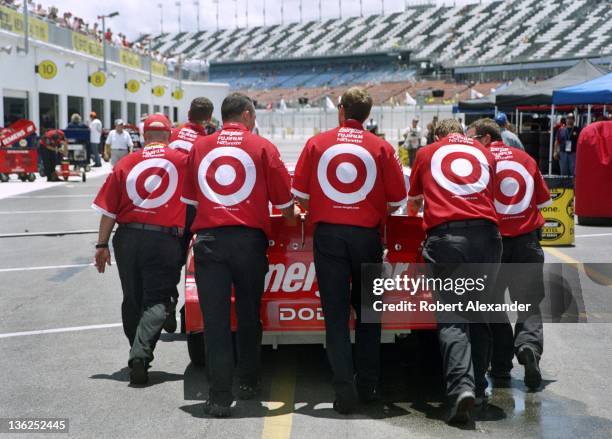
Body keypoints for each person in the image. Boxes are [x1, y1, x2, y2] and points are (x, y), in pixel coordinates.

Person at [292, 87, 407, 414]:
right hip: (368, 237)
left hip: (328, 236)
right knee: (370, 314)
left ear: (341, 110)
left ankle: (344, 393)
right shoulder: (382, 147)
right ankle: (369, 386)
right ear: (367, 114)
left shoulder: (317, 143)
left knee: (336, 317)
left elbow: (299, 193)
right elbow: (398, 200)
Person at [182, 93, 296, 417]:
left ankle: (219, 397)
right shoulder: (263, 147)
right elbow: (285, 203)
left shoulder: (200, 146)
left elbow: (190, 201)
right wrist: (291, 218)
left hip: (209, 240)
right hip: (249, 241)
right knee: (248, 315)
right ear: (247, 115)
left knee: (215, 322)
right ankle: (248, 382)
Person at [407, 118, 502, 425]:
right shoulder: (485, 153)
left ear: (437, 135)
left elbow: (414, 202)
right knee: (479, 316)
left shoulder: (427, 153)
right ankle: (479, 389)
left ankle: (461, 389)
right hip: (488, 237)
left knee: (452, 319)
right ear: (462, 134)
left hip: (447, 239)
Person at [92, 114, 187, 385]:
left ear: (144, 136)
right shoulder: (181, 161)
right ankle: (141, 354)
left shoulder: (125, 163)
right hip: (163, 239)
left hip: (127, 238)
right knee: (157, 298)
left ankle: (136, 347)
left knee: (131, 298)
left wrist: (101, 245)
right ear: (169, 135)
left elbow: (108, 210)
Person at [467, 118, 550, 391]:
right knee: (528, 303)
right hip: (527, 240)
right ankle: (528, 346)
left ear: (486, 138)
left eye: (472, 138)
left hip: (494, 241)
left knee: (492, 304)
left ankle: (501, 364)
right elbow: (544, 200)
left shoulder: (479, 161)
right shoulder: (525, 159)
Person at [162, 97, 215, 334]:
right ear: (209, 118)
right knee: (194, 257)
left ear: (188, 113)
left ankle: (169, 300)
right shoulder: (205, 142)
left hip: (165, 202)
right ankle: (188, 309)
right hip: (191, 204)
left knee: (171, 257)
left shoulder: (172, 134)